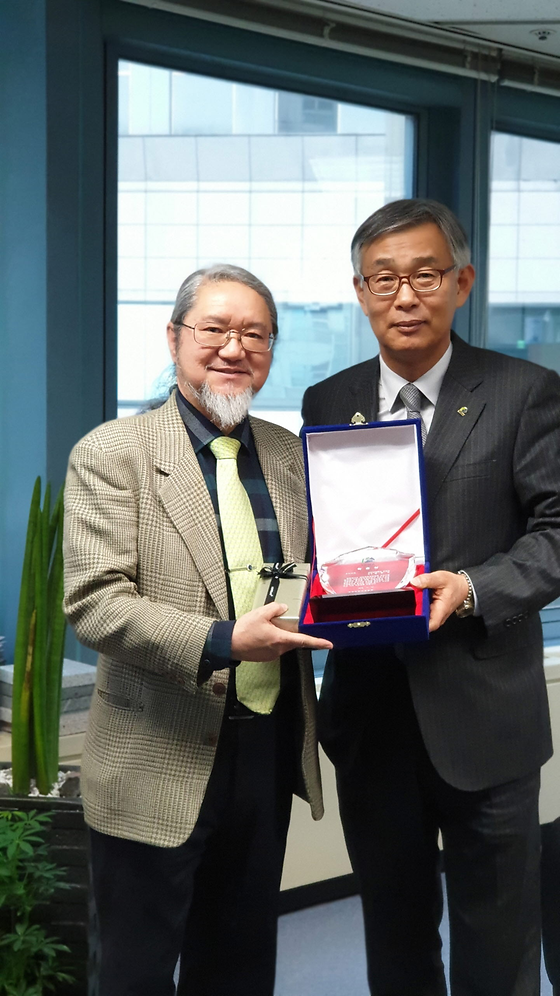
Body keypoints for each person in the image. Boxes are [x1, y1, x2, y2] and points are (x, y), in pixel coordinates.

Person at [301, 198, 560, 996]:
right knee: (396, 934)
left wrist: (475, 585)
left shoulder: (526, 392)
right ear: (360, 290)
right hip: (372, 720)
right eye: (384, 279)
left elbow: (556, 530)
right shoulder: (326, 400)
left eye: (423, 275)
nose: (404, 295)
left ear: (462, 281)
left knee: (498, 939)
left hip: (485, 718)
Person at [63, 264, 332, 996]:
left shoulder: (287, 455)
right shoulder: (110, 452)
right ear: (176, 336)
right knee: (133, 973)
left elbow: (320, 575)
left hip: (266, 750)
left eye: (254, 333)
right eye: (214, 329)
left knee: (240, 967)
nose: (233, 347)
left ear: (271, 349)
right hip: (157, 753)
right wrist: (221, 641)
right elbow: (95, 601)